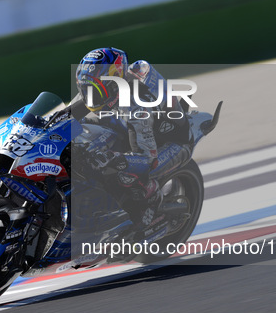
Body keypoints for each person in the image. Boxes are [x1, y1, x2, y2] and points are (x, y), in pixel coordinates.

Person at [73, 47, 192, 229]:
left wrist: (113, 158)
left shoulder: (137, 108)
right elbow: (68, 114)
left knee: (122, 173)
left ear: (114, 85)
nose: (89, 98)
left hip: (173, 143)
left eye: (94, 92)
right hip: (135, 128)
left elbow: (147, 159)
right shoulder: (101, 88)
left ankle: (151, 204)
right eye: (84, 90)